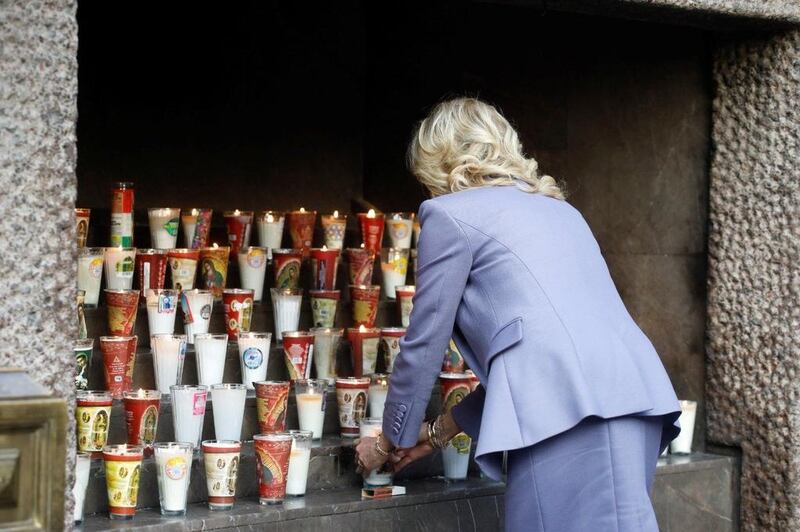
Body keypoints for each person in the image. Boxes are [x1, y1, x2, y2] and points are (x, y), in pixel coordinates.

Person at [354, 98, 681, 531]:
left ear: (437, 161)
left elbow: (424, 341)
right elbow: (533, 358)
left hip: (571, 419)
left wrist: (387, 440)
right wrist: (436, 433)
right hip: (631, 401)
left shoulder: (448, 215)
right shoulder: (561, 212)